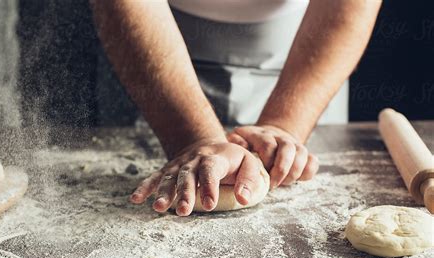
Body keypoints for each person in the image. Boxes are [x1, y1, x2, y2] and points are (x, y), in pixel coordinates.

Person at [91, 0, 382, 216]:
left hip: (306, 58)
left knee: (289, 176)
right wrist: (191, 137)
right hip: (150, 53)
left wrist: (283, 127)